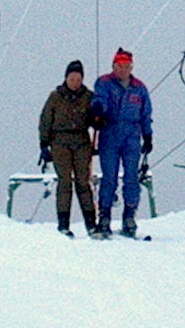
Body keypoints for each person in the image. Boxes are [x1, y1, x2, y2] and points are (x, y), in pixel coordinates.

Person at [93, 47, 153, 238]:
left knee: (131, 177)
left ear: (131, 67)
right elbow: (100, 100)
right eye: (120, 66)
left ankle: (129, 216)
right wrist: (98, 111)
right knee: (109, 178)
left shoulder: (139, 88)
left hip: (132, 137)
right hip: (110, 134)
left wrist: (148, 135)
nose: (123, 69)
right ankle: (104, 217)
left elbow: (146, 113)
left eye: (127, 66)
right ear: (114, 66)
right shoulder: (104, 83)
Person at [38, 59, 100, 237]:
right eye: (72, 79)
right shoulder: (55, 97)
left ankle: (91, 224)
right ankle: (63, 224)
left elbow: (94, 118)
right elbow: (45, 120)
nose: (75, 83)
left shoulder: (88, 97)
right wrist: (44, 143)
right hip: (60, 142)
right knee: (64, 182)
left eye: (78, 79)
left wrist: (98, 120)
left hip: (81, 142)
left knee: (83, 182)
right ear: (66, 78)